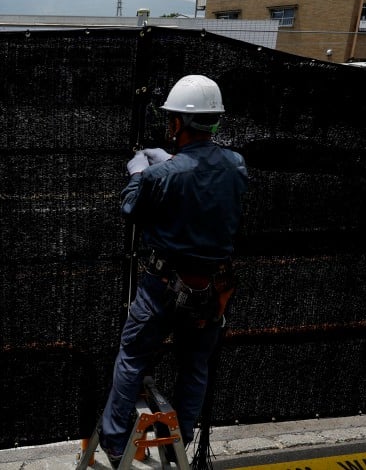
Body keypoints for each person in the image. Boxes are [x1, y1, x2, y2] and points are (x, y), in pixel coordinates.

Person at [99, 74, 249, 467]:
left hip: (163, 286)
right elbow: (205, 176)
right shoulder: (236, 165)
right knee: (195, 365)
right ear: (214, 121)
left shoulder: (159, 177)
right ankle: (176, 441)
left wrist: (139, 172)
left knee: (132, 356)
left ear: (178, 123)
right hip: (212, 289)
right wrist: (173, 163)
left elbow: (130, 209)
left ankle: (115, 443)